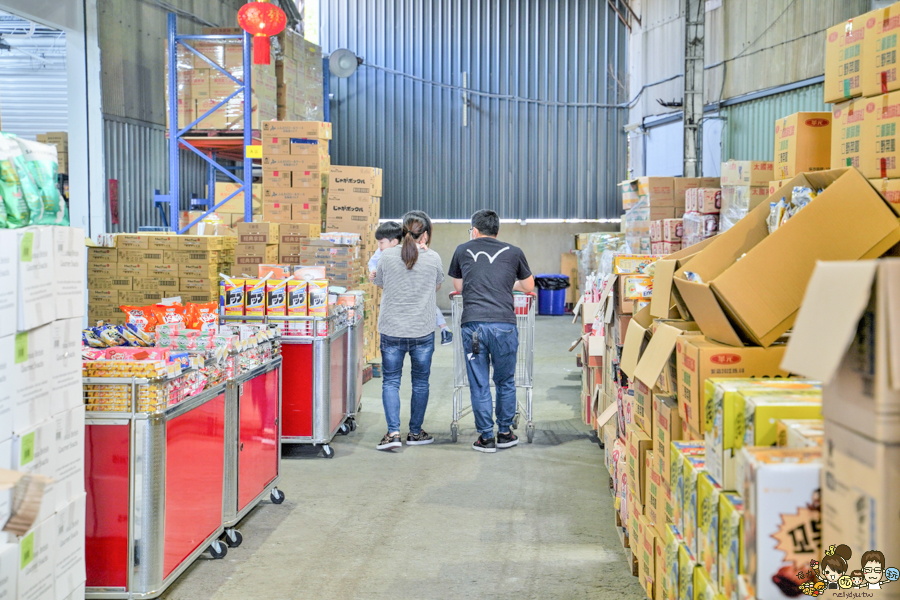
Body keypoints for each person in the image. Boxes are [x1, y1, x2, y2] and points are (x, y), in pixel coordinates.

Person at [448, 209, 534, 453]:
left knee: (479, 382)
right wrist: (509, 284)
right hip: (504, 327)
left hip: (474, 328)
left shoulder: (463, 250)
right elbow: (528, 286)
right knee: (505, 380)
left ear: (474, 230)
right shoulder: (514, 252)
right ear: (497, 230)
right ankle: (505, 432)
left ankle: (486, 437)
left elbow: (459, 286)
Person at [373, 211, 444, 450]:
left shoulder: (387, 256)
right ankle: (415, 433)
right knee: (421, 383)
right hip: (421, 331)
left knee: (391, 382)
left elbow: (380, 283)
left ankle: (393, 434)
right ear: (425, 235)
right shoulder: (433, 258)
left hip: (391, 329)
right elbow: (436, 286)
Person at [369, 221, 453, 345]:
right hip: (412, 328)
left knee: (431, 307)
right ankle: (444, 327)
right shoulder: (384, 255)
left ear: (394, 241)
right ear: (424, 235)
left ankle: (444, 327)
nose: (379, 245)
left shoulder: (390, 255)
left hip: (396, 328)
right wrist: (373, 271)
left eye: (381, 242)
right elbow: (373, 264)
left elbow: (381, 283)